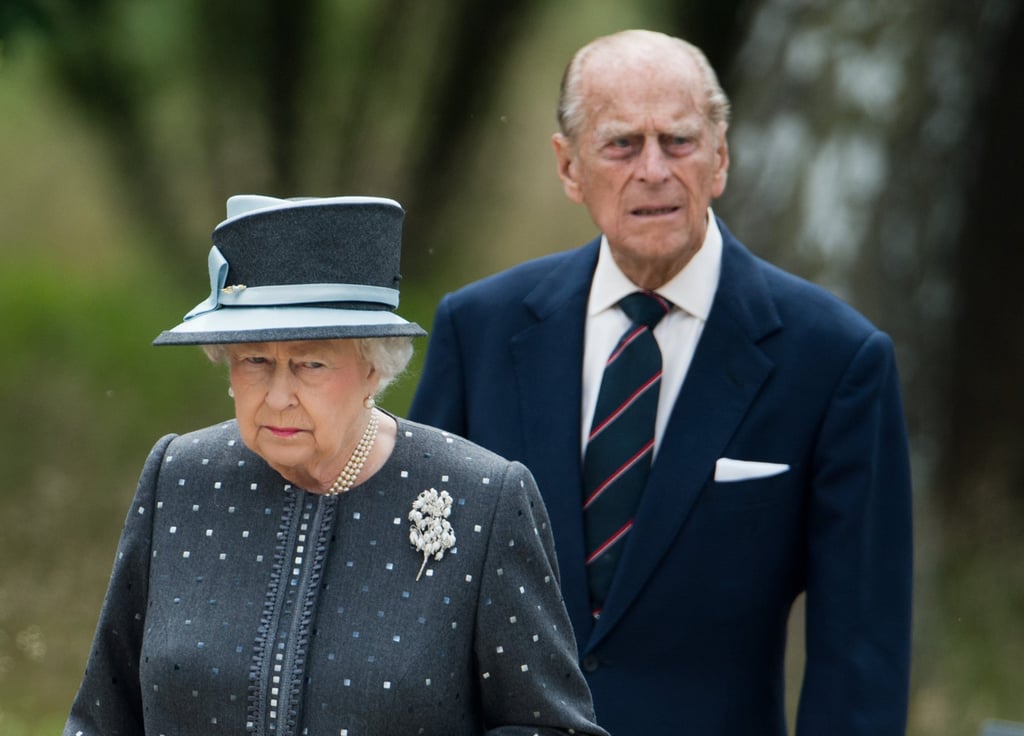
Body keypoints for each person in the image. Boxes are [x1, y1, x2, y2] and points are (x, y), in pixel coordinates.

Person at [409, 29, 913, 735]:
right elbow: (419, 594)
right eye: (621, 144)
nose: (653, 170)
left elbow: (858, 655)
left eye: (678, 141)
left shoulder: (835, 361)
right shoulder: (478, 331)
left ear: (721, 157)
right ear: (568, 166)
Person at [63, 194, 609, 736]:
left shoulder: (482, 498)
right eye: (255, 361)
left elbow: (550, 727)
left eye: (310, 363)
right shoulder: (179, 476)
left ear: (374, 366)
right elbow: (103, 714)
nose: (278, 397)